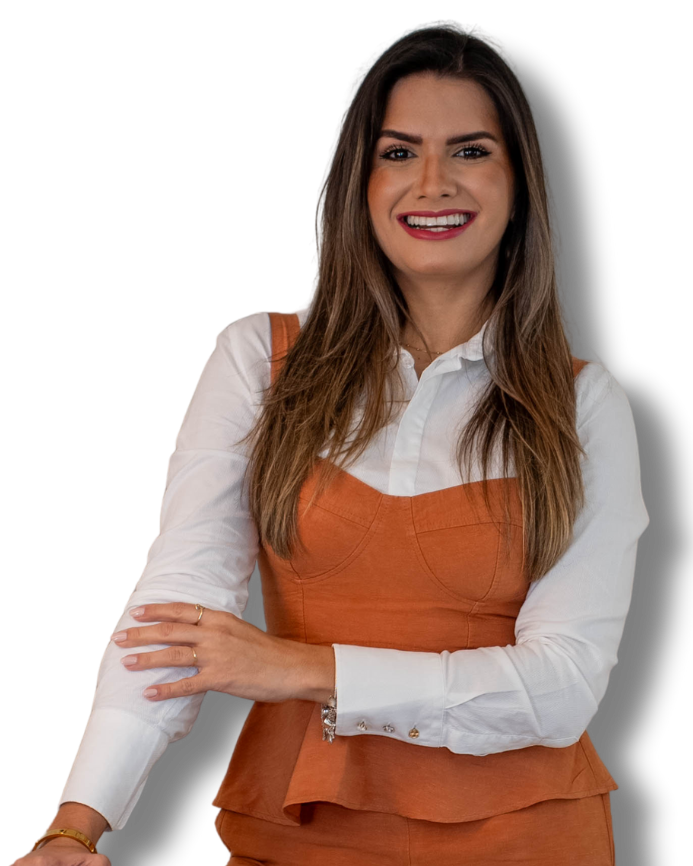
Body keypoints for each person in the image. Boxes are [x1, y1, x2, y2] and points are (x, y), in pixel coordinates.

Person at [12, 20, 649, 866]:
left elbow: (563, 688)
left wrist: (302, 669)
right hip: (292, 831)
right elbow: (178, 603)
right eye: (397, 152)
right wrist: (74, 825)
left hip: (528, 843)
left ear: (518, 182)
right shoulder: (257, 358)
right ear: (357, 180)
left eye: (469, 151)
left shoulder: (582, 403)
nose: (431, 183)